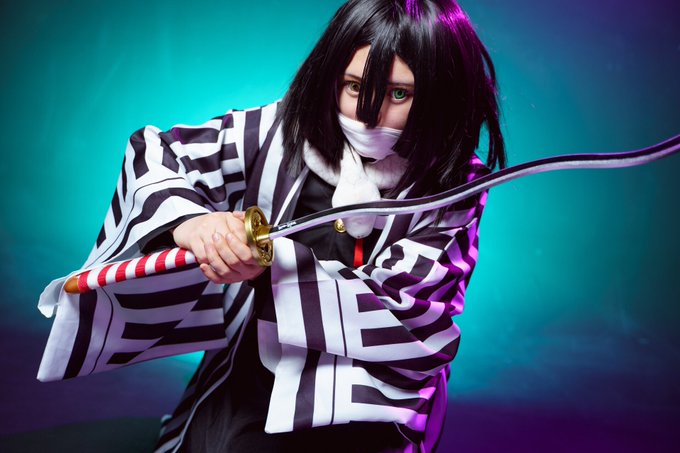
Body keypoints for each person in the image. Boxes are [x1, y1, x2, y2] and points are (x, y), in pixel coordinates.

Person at [37, 0, 506, 451]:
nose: (368, 116)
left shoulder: (456, 189)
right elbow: (160, 155)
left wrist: (272, 266)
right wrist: (192, 225)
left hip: (374, 404)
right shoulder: (280, 131)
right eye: (353, 86)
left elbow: (410, 312)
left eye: (398, 94)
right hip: (252, 376)